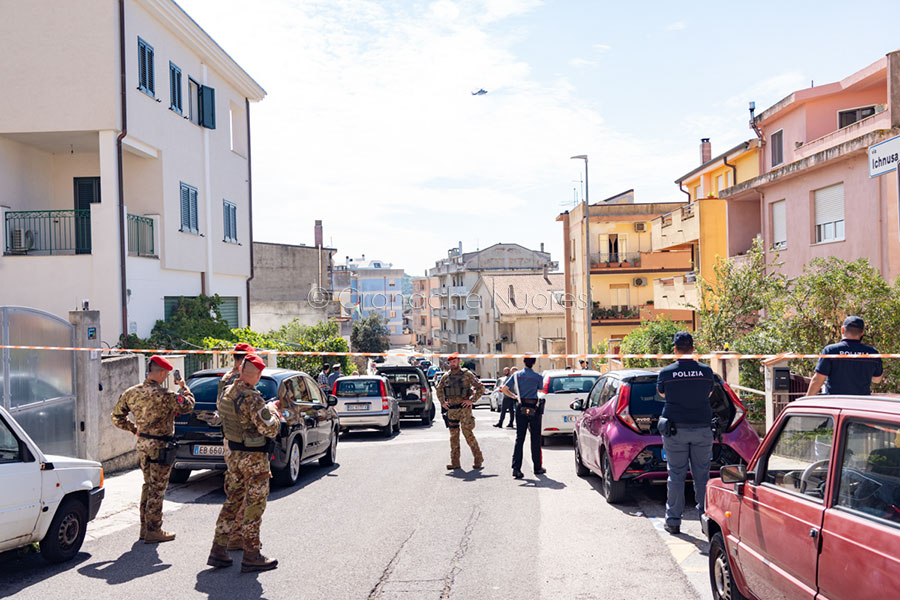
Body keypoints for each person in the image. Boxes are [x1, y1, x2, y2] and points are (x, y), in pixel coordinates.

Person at [207, 354, 280, 572]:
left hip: (234, 457)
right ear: (258, 375)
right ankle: (251, 554)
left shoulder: (228, 393)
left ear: (241, 371)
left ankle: (218, 549)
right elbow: (270, 429)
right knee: (254, 504)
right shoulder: (253, 399)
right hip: (253, 458)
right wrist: (274, 413)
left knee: (233, 502)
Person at [111, 355, 195, 543]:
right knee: (157, 488)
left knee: (148, 485)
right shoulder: (167, 395)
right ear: (163, 373)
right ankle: (154, 530)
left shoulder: (131, 393)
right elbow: (188, 405)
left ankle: (144, 528)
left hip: (142, 445)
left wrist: (134, 430)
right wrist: (183, 386)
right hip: (160, 446)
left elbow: (116, 417)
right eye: (165, 373)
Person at [655, 332, 715, 535]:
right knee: (702, 475)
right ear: (693, 349)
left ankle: (673, 521)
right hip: (702, 428)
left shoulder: (667, 372)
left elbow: (662, 394)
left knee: (676, 475)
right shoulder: (706, 371)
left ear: (675, 349)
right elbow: (709, 394)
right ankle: (706, 520)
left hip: (675, 430)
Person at [217, 343, 254, 551]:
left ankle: (230, 533)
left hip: (229, 438)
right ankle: (235, 535)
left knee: (234, 485)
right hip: (241, 440)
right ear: (242, 361)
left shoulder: (224, 379)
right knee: (243, 487)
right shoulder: (238, 380)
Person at [807, 316, 883, 396]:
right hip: (861, 403)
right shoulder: (872, 353)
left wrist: (806, 402)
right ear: (862, 333)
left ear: (842, 330)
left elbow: (818, 380)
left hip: (836, 402)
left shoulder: (831, 350)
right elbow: (877, 379)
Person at [435, 353, 484, 470]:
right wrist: (442, 402)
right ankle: (455, 462)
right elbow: (439, 390)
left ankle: (478, 458)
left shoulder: (467, 374)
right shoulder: (446, 376)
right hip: (452, 410)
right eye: (451, 362)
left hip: (464, 409)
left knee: (468, 434)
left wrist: (472, 400)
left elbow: (481, 387)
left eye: (454, 361)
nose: (452, 364)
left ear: (459, 362)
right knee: (453, 436)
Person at [502, 358, 545, 478]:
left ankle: (516, 469)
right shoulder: (538, 377)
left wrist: (514, 396)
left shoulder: (516, 375)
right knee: (535, 438)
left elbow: (504, 389)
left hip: (521, 408)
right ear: (534, 363)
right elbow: (540, 389)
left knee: (519, 439)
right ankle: (537, 467)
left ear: (524, 363)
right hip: (534, 409)